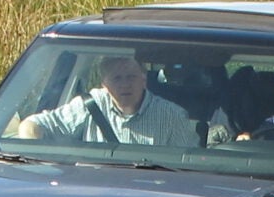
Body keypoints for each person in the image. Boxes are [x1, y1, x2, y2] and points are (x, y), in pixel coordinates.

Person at [14, 54, 197, 147]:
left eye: (131, 77)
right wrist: (36, 167)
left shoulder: (173, 116)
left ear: (144, 80)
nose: (125, 85)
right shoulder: (88, 106)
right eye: (117, 79)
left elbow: (186, 170)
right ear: (104, 84)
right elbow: (32, 126)